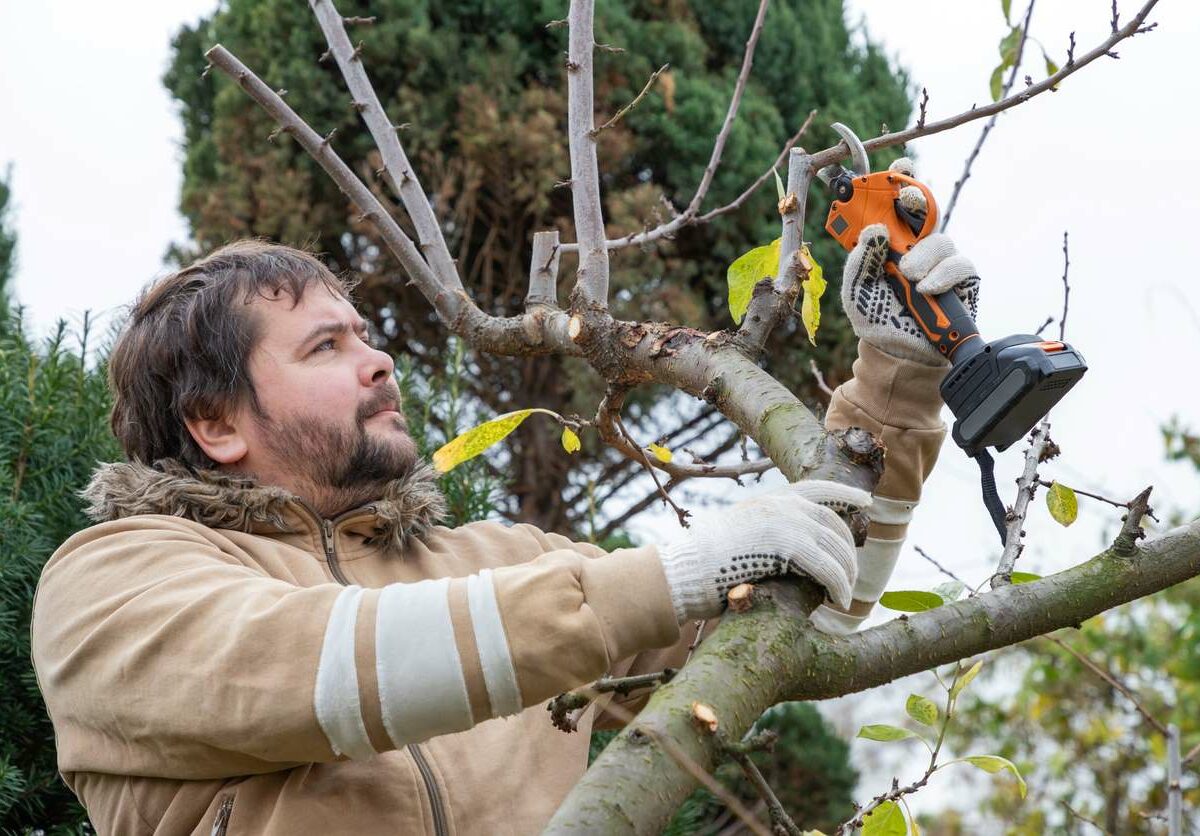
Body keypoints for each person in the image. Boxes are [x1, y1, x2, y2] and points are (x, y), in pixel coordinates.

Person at [31, 164, 978, 834]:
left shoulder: (503, 566)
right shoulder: (111, 585)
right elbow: (317, 668)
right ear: (215, 423)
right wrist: (665, 578)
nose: (379, 357)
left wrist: (897, 385)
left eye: (366, 333)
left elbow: (799, 620)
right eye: (326, 347)